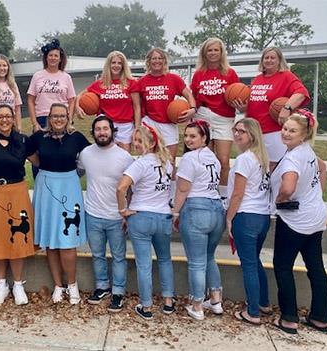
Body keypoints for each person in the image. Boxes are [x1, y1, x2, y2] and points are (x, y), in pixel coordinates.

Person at [270, 112, 327, 334]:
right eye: (285, 128)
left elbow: (288, 186)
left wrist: (280, 198)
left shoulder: (293, 158)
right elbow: (323, 168)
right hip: (315, 217)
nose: (286, 133)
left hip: (294, 221)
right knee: (315, 267)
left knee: (283, 266)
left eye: (292, 130)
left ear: (304, 134)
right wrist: (316, 195)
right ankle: (321, 317)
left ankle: (289, 318)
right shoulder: (308, 152)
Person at [29, 103, 90, 304]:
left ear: (68, 117)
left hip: (69, 186)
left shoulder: (77, 138)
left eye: (62, 116)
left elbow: (90, 157)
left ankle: (72, 285)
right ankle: (58, 285)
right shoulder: (39, 137)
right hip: (46, 187)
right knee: (50, 241)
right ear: (49, 117)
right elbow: (29, 154)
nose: (58, 119)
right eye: (54, 116)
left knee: (67, 241)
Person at [0, 104, 36, 305]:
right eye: (0, 116)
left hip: (16, 191)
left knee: (17, 238)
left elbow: (37, 161)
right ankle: (2, 283)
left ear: (13, 118)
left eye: (8, 116)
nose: (4, 120)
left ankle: (18, 284)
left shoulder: (22, 140)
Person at [116, 125, 175, 320]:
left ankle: (147, 305)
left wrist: (123, 210)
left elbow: (121, 188)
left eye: (140, 141)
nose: (135, 144)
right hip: (163, 216)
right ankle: (168, 301)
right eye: (135, 140)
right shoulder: (167, 163)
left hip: (142, 216)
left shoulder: (140, 164)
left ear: (151, 142)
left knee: (144, 263)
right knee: (165, 259)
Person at [78, 115, 134, 312]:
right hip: (92, 213)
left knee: (118, 256)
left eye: (105, 128)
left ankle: (118, 292)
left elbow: (132, 188)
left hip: (116, 216)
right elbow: (77, 173)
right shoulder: (85, 154)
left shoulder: (124, 157)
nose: (102, 132)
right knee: (97, 255)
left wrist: (127, 212)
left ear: (112, 131)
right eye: (98, 129)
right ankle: (102, 287)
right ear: (93, 132)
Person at [172, 120, 225, 321]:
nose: (188, 139)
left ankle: (196, 305)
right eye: (186, 136)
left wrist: (175, 213)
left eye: (193, 136)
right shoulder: (214, 158)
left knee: (196, 262)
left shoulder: (189, 158)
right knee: (209, 257)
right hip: (216, 208)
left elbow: (183, 189)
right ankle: (216, 300)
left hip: (197, 209)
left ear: (204, 138)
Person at [226, 118, 272, 325]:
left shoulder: (245, 159)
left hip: (246, 216)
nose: (236, 134)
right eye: (235, 130)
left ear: (252, 135)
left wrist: (229, 217)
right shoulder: (261, 158)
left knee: (249, 265)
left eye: (241, 132)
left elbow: (238, 194)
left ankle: (253, 312)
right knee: (255, 261)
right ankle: (263, 302)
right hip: (262, 216)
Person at [242, 47, 310, 169]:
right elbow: (256, 103)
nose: (269, 60)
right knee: (254, 167)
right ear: (262, 61)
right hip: (254, 131)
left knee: (274, 167)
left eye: (273, 58)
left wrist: (287, 108)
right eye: (266, 58)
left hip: (274, 131)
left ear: (279, 60)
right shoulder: (257, 79)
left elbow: (301, 93)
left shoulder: (286, 76)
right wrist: (243, 108)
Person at [191, 38, 240, 193]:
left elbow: (238, 96)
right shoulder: (199, 74)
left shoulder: (230, 73)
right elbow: (194, 97)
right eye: (209, 50)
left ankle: (223, 194)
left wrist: (241, 105)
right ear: (204, 53)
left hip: (224, 118)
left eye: (215, 50)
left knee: (223, 161)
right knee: (205, 159)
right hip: (203, 115)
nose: (212, 53)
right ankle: (206, 191)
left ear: (221, 52)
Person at [137, 48, 196, 169]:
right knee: (148, 160)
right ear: (148, 61)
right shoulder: (141, 81)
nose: (157, 61)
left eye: (160, 58)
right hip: (149, 122)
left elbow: (189, 95)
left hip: (168, 123)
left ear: (164, 61)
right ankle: (149, 187)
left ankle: (169, 187)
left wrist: (193, 109)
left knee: (170, 162)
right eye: (154, 58)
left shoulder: (174, 79)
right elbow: (136, 106)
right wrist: (137, 127)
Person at [77, 51, 140, 152]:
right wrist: (77, 107)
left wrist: (137, 128)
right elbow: (79, 95)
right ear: (108, 65)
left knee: (123, 159)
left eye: (119, 63)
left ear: (124, 66)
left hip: (125, 126)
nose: (116, 65)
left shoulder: (131, 83)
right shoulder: (100, 83)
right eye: (113, 62)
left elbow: (137, 108)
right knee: (106, 155)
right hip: (106, 125)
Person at [28, 38, 76, 132]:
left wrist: (69, 120)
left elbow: (72, 100)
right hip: (42, 118)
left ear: (60, 59)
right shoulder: (37, 76)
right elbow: (30, 100)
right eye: (50, 55)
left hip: (61, 118)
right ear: (46, 57)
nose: (53, 58)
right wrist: (35, 123)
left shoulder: (66, 77)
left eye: (56, 56)